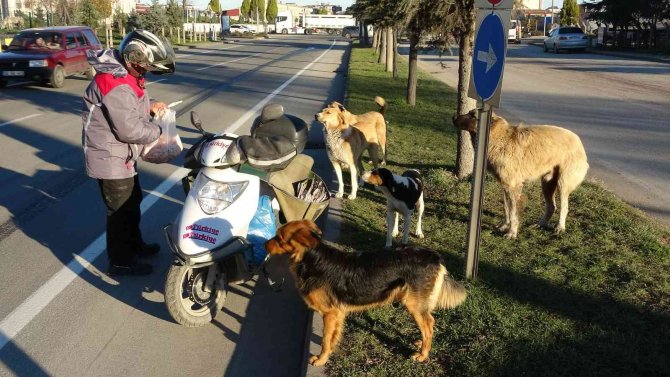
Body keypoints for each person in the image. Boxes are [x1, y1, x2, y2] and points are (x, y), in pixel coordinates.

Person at [81, 30, 176, 276]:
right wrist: (158, 131)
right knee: (120, 212)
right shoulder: (113, 82)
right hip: (111, 157)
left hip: (121, 156)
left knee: (132, 202)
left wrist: (151, 103)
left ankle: (135, 245)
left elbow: (132, 101)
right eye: (145, 67)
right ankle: (121, 261)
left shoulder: (123, 74)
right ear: (133, 58)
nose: (146, 72)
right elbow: (130, 129)